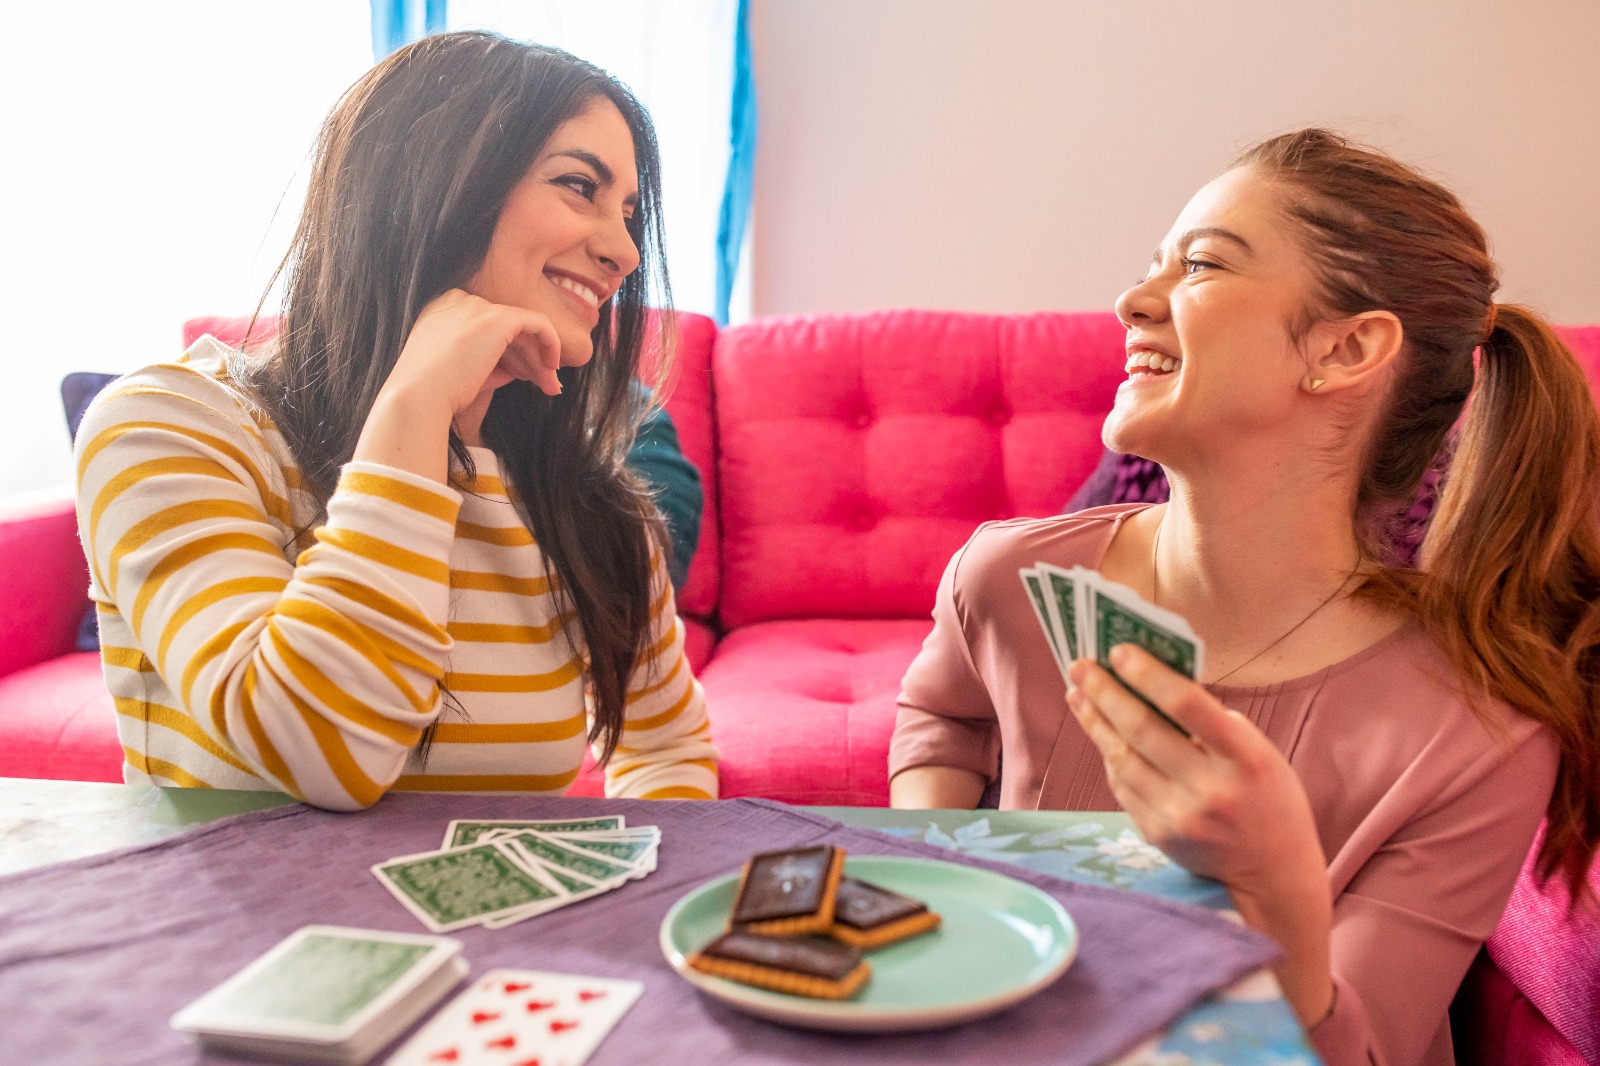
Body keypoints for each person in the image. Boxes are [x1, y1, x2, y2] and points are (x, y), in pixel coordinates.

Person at [888, 129, 1599, 1066]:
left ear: (1346, 348)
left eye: (1202, 265)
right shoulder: (1005, 576)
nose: (1132, 301)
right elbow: (941, 718)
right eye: (1154, 265)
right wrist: (941, 865)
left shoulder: (1477, 733)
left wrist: (1275, 890)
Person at [73, 32, 718, 810]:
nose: (624, 251)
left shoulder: (587, 497)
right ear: (429, 181)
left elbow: (668, 746)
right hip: (229, 933)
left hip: (498, 936)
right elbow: (322, 748)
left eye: (629, 212)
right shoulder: (166, 425)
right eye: (579, 185)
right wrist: (415, 408)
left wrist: (632, 893)